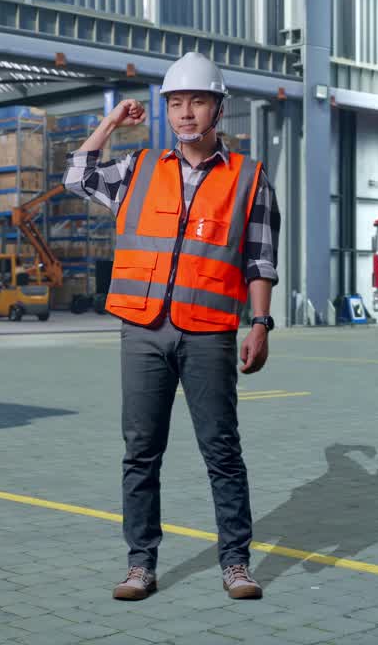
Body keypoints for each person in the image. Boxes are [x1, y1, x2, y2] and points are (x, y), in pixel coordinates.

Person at [63, 52, 281, 602]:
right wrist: (112, 121)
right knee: (140, 451)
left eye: (197, 101)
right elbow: (77, 175)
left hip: (209, 330)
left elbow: (260, 260)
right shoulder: (138, 168)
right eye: (176, 103)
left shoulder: (250, 178)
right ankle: (141, 565)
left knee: (221, 450)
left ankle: (236, 562)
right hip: (142, 329)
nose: (186, 113)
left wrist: (261, 325)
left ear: (218, 108)